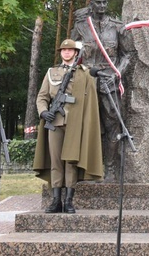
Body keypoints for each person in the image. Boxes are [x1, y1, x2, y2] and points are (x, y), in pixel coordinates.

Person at [33, 39, 103, 213]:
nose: (66, 53)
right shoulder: (51, 72)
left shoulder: (83, 72)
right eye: (63, 50)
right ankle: (56, 200)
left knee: (71, 161)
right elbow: (42, 97)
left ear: (75, 53)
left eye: (70, 50)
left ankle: (69, 201)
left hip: (75, 123)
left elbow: (91, 96)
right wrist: (43, 112)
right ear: (60, 53)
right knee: (56, 161)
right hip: (55, 122)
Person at [70, 0, 133, 183]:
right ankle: (86, 168)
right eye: (98, 2)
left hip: (109, 81)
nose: (102, 6)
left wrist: (116, 74)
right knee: (85, 124)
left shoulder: (117, 27)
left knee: (112, 123)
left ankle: (111, 168)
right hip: (86, 81)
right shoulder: (81, 27)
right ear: (92, 4)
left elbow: (129, 54)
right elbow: (71, 54)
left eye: (105, 2)